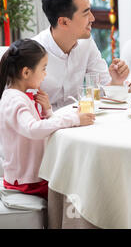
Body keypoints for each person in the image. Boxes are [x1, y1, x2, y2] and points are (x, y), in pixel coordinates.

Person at [0, 39, 95, 200]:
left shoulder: (20, 96)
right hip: (26, 181)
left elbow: (36, 126)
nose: (45, 74)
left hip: (32, 177)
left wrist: (47, 110)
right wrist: (74, 119)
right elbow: (33, 129)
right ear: (26, 72)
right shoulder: (14, 101)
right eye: (43, 69)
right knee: (80, 188)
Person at [33, 0, 130, 110]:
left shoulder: (86, 43)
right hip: (47, 126)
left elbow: (103, 94)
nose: (93, 18)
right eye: (85, 14)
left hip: (80, 121)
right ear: (64, 22)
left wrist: (116, 81)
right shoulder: (32, 54)